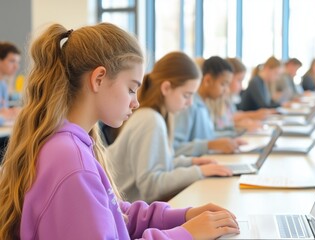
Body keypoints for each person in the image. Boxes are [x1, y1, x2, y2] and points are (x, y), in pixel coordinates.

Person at [0, 23, 239, 240]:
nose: (135, 103)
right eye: (131, 89)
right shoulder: (70, 159)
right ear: (99, 79)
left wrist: (183, 216)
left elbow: (113, 213)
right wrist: (185, 235)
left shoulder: (71, 143)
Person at [107, 52, 233, 203]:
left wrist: (191, 162)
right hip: (125, 218)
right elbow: (150, 186)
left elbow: (161, 164)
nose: (190, 103)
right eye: (186, 95)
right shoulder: (150, 120)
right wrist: (199, 172)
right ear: (166, 88)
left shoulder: (158, 116)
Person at [173, 56, 246, 157]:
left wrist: (233, 135)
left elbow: (208, 136)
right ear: (207, 80)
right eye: (223, 84)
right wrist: (210, 145)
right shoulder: (189, 105)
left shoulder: (203, 104)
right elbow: (174, 148)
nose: (226, 90)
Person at [0, 42, 21, 110]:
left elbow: (3, 111)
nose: (16, 67)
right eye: (12, 61)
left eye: (18, 62)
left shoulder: (3, 85)